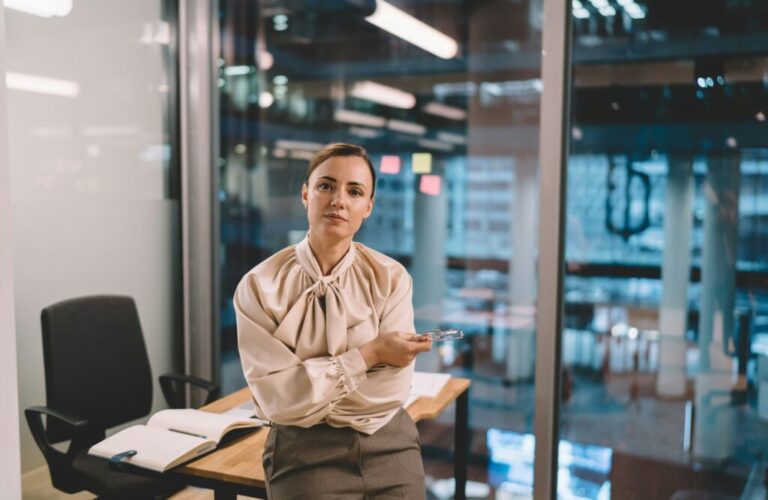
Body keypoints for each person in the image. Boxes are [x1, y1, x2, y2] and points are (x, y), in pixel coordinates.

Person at [234, 143, 433, 499]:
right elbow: (277, 402)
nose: (339, 200)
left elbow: (389, 392)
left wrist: (308, 388)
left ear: (368, 207)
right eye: (326, 186)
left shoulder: (391, 278)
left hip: (389, 442)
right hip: (303, 450)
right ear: (306, 194)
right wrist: (369, 355)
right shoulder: (259, 286)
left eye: (354, 191)